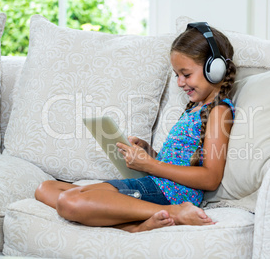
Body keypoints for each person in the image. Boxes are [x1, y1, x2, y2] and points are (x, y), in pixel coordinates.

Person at [35, 22, 237, 233]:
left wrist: (149, 165)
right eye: (177, 75)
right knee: (46, 189)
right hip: (155, 185)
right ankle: (134, 225)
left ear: (214, 69)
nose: (180, 83)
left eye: (186, 74)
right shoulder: (195, 109)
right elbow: (180, 162)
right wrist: (150, 153)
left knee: (69, 202)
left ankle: (174, 213)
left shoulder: (219, 111)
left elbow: (210, 178)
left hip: (168, 194)